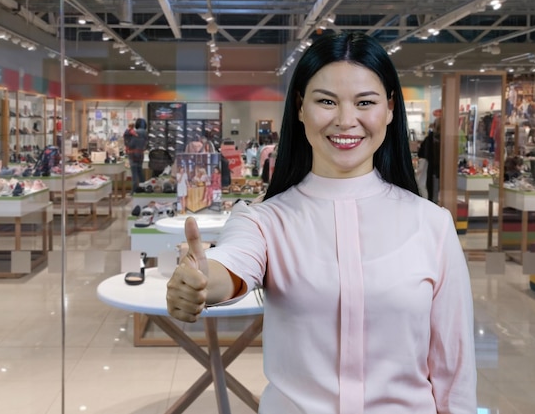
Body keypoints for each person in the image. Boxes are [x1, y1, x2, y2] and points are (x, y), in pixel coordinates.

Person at [166, 31, 476, 414]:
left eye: (365, 102)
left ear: (390, 109)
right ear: (300, 107)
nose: (346, 120)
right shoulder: (264, 220)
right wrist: (202, 283)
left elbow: (454, 371)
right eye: (326, 101)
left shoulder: (432, 225)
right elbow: (233, 264)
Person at [128, 118, 147, 193]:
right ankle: (143, 187)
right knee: (140, 171)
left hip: (133, 154)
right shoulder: (145, 133)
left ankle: (134, 190)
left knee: (134, 173)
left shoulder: (134, 133)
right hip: (140, 153)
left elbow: (131, 144)